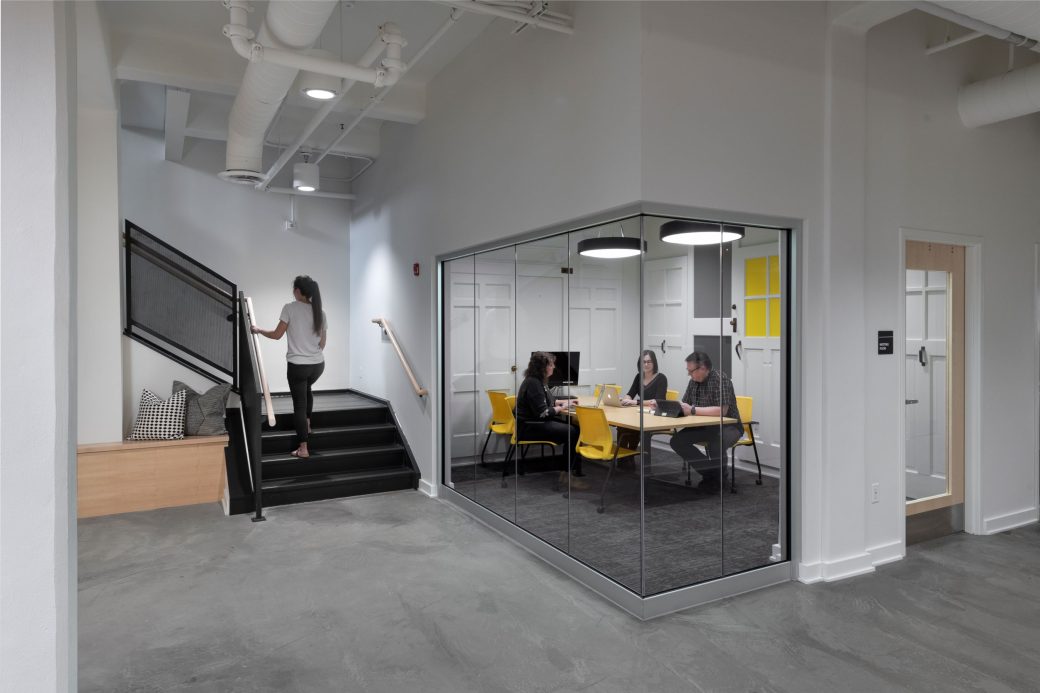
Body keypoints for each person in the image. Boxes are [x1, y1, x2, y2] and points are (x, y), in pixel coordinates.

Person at [252, 276, 327, 458]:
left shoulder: (290, 308)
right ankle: (307, 423)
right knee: (307, 389)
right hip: (317, 365)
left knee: (299, 405)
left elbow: (277, 334)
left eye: (294, 289)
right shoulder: (320, 312)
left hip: (298, 366)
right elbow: (322, 343)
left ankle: (303, 448)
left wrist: (259, 330)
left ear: (298, 291)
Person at [669, 351, 742, 493]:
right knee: (677, 441)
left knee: (716, 444)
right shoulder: (693, 382)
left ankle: (720, 481)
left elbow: (722, 411)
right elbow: (685, 405)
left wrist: (693, 410)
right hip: (705, 427)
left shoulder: (721, 380)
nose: (689, 375)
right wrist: (666, 407)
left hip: (729, 426)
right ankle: (711, 474)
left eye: (691, 371)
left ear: (702, 368)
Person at [515, 351, 584, 484]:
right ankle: (567, 475)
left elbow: (547, 401)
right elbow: (544, 412)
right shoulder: (534, 383)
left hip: (533, 423)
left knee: (574, 428)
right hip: (530, 427)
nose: (553, 367)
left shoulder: (537, 381)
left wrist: (565, 403)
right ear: (542, 367)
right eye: (551, 365)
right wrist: (562, 407)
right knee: (573, 431)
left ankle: (567, 471)